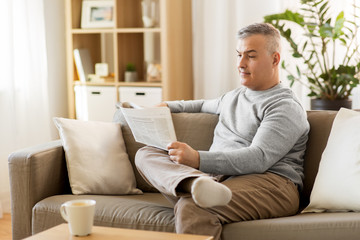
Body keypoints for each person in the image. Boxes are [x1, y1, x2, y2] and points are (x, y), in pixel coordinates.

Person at [135, 23, 309, 240]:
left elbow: (259, 158)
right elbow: (200, 105)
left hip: (272, 184)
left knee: (193, 207)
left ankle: (198, 187)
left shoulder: (284, 106)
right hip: (216, 180)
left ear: (275, 59)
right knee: (146, 153)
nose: (241, 64)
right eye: (239, 55)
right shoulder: (235, 97)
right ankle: (194, 184)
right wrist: (167, 105)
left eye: (251, 56)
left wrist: (197, 159)